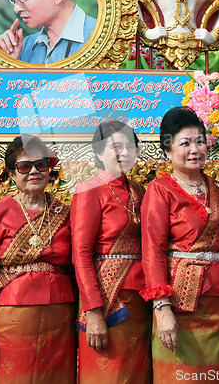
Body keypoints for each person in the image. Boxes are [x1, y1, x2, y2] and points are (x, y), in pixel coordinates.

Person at [0, 134, 76, 383]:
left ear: (49, 170)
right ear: (12, 175)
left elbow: (78, 266)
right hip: (11, 317)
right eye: (25, 166)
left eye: (41, 164)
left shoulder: (66, 213)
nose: (34, 171)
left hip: (60, 316)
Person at [140, 106, 219, 382]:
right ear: (168, 151)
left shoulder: (218, 188)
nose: (195, 149)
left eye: (200, 141)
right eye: (185, 143)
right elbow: (152, 250)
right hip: (180, 304)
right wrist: (162, 306)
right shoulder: (160, 190)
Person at [71, 121, 151, 383]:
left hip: (141, 302)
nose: (125, 152)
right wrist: (93, 311)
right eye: (116, 146)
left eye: (130, 146)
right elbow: (81, 254)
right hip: (107, 303)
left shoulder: (142, 192)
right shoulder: (89, 190)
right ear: (98, 152)